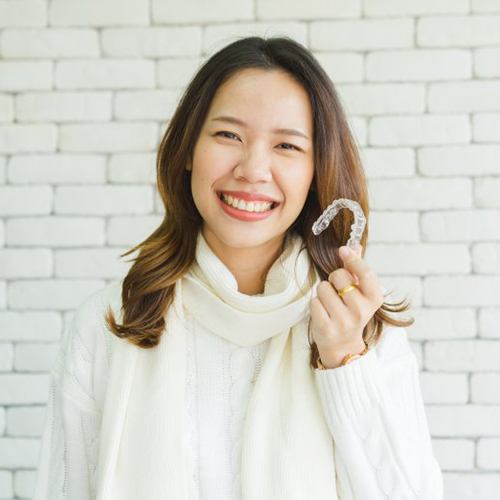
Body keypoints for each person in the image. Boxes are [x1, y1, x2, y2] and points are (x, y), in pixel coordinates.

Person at [32, 36, 444, 499]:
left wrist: (345, 361)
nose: (253, 168)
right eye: (229, 135)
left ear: (315, 171)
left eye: (287, 145)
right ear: (188, 150)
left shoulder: (363, 328)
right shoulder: (110, 323)